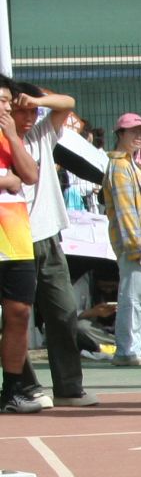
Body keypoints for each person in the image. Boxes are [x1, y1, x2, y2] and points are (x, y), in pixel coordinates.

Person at [6, 81, 95, 410]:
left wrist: (34, 98)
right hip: (11, 238)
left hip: (47, 235)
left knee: (63, 310)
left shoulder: (43, 132)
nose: (29, 116)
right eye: (21, 110)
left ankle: (69, 386)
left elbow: (68, 102)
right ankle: (24, 384)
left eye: (33, 110)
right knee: (17, 316)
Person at [103, 114, 141, 366]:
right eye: (133, 132)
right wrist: (136, 245)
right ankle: (128, 349)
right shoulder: (119, 166)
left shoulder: (130, 164)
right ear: (120, 134)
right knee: (134, 296)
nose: (139, 136)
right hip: (135, 244)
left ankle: (136, 346)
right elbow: (125, 210)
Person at [0, 75, 41, 414]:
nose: (3, 107)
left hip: (14, 233)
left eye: (5, 102)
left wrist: (12, 135)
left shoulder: (10, 137)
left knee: (19, 311)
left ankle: (12, 389)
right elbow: (12, 179)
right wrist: (5, 179)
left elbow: (29, 175)